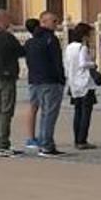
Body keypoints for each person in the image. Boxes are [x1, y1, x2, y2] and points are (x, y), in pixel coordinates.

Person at [25, 11, 66, 157]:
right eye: (53, 21)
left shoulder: (30, 41)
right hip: (50, 81)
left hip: (35, 80)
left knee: (43, 112)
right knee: (49, 113)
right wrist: (61, 79)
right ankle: (46, 145)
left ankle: (44, 143)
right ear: (43, 21)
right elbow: (57, 61)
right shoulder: (50, 39)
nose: (56, 24)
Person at [0, 9, 26, 157]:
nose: (10, 21)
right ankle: (3, 144)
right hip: (7, 77)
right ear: (2, 19)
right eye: (8, 18)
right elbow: (21, 51)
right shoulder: (5, 37)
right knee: (6, 111)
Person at [65, 23, 99, 150]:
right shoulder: (82, 48)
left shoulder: (69, 47)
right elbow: (83, 63)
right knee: (86, 113)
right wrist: (93, 64)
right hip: (85, 82)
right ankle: (82, 139)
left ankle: (77, 139)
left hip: (74, 83)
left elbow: (67, 65)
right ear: (84, 36)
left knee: (77, 112)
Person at [23, 17, 41, 150]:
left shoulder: (28, 44)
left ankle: (31, 136)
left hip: (32, 77)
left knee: (33, 107)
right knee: (40, 108)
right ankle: (40, 136)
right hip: (41, 79)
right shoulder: (41, 42)